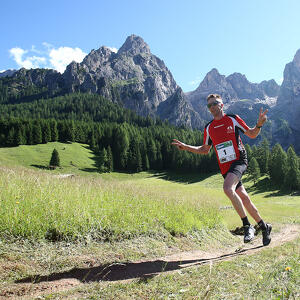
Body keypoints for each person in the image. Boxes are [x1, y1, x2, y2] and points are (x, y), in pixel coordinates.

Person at [172, 94, 272, 246]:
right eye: (209, 105)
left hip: (239, 160)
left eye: (215, 103)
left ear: (222, 105)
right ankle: (264, 227)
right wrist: (186, 147)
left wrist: (259, 124)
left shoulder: (232, 119)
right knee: (243, 198)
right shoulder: (209, 128)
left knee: (227, 188)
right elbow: (205, 149)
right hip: (225, 168)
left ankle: (247, 226)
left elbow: (252, 134)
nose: (212, 107)